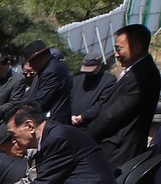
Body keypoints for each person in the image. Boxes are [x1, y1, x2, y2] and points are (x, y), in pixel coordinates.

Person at [82, 24, 161, 172]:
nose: (116, 54)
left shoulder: (144, 74)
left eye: (119, 49)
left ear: (137, 47)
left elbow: (113, 115)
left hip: (119, 152)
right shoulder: (134, 70)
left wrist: (84, 137)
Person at [20, 39, 74, 126]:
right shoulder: (49, 68)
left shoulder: (51, 72)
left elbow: (40, 102)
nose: (30, 65)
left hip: (54, 122)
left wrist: (20, 110)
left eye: (31, 61)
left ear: (40, 57)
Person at [71, 49, 109, 127]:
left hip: (93, 125)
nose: (89, 73)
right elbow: (69, 99)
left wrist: (84, 116)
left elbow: (102, 103)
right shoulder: (76, 80)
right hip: (74, 124)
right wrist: (71, 115)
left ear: (99, 66)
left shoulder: (108, 81)